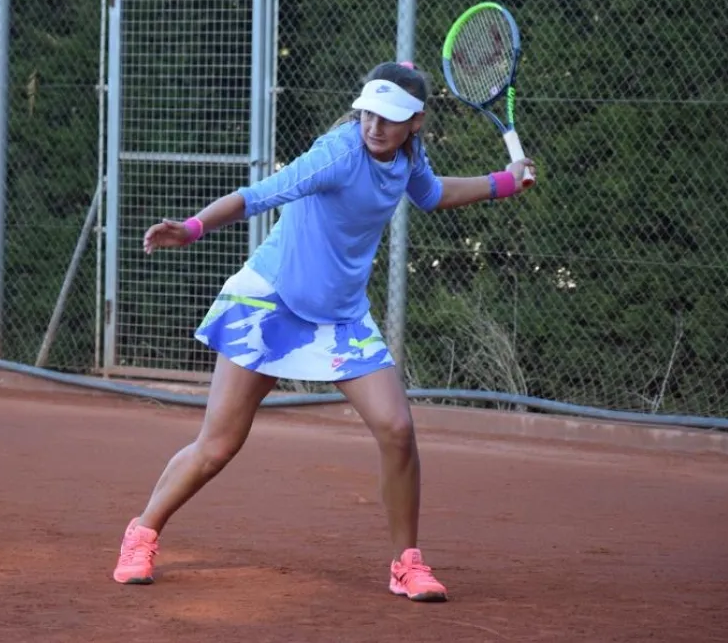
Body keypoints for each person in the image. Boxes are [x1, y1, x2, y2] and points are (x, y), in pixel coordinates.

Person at [113, 60, 536, 602]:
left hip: (340, 318)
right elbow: (262, 194)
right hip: (271, 304)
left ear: (416, 123)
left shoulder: (408, 157)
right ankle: (142, 531)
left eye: (390, 117)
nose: (375, 126)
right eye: (368, 113)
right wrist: (194, 227)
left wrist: (504, 181)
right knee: (217, 446)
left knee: (398, 430)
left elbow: (430, 194)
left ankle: (406, 564)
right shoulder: (337, 153)